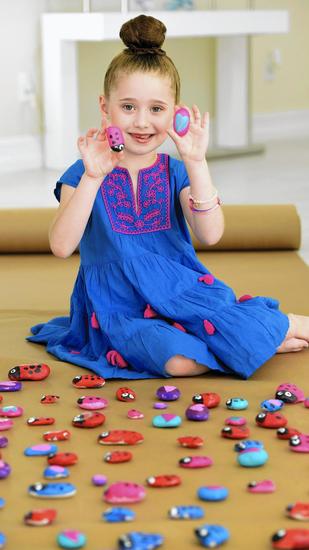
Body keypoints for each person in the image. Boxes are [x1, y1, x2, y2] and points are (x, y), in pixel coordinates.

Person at [28, 14, 309, 380]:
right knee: (178, 363)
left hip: (183, 292)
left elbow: (210, 234)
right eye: (128, 107)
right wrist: (94, 178)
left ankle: (270, 328)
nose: (142, 122)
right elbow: (62, 246)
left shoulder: (176, 171)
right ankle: (258, 339)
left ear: (174, 113)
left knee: (220, 323)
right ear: (105, 107)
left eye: (156, 109)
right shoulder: (82, 172)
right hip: (118, 308)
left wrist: (196, 160)